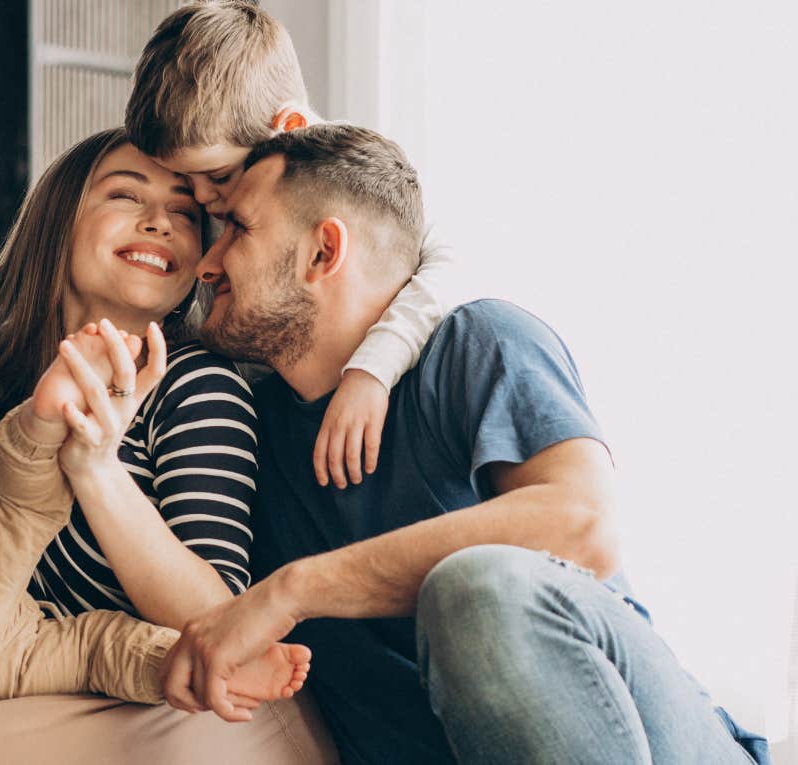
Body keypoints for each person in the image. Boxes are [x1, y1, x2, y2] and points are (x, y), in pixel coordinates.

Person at [156, 123, 771, 764]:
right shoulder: (246, 431)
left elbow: (580, 524)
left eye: (239, 229)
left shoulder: (475, 345)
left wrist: (291, 591)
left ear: (323, 253)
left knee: (476, 587)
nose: (206, 261)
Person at [0, 128, 340, 764]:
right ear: (60, 220)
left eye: (185, 213)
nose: (160, 222)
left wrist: (96, 469)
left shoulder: (195, 386)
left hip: (49, 697)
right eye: (126, 196)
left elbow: (215, 613)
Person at [0, 356, 310, 712]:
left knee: (98, 649)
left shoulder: (197, 383)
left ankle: (202, 668)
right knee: (17, 498)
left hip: (8, 644)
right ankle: (39, 429)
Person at [124, 0, 455, 491]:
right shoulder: (214, 192)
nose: (202, 199)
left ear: (291, 128)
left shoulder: (360, 185)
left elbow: (446, 267)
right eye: (184, 180)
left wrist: (370, 371)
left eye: (217, 175)